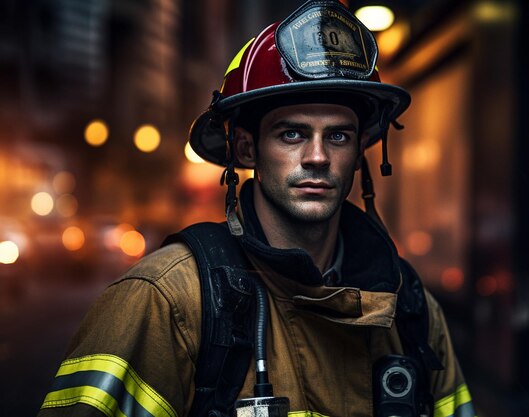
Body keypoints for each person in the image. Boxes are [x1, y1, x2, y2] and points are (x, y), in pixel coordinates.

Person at [39, 1, 475, 417]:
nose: (318, 157)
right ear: (247, 149)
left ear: (361, 149)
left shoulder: (410, 308)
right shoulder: (166, 302)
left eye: (338, 136)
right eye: (292, 134)